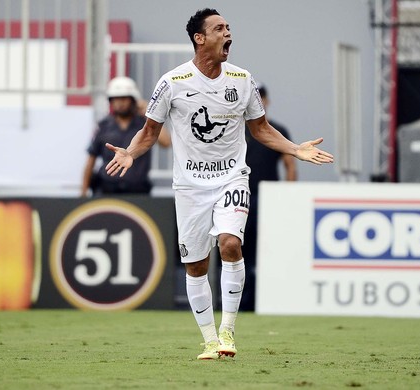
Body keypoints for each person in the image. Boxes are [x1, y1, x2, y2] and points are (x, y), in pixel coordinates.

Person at [104, 8, 333, 360]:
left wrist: (294, 148)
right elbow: (150, 132)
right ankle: (209, 339)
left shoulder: (242, 79)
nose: (228, 33)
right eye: (219, 29)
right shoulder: (172, 83)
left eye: (228, 28)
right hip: (190, 187)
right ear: (200, 38)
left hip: (232, 177)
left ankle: (228, 332)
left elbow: (260, 129)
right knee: (196, 266)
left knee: (229, 244)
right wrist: (131, 153)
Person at [240, 83, 297, 311]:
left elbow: (289, 165)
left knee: (266, 250)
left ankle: (265, 299)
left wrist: (287, 197)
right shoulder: (237, 131)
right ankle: (240, 301)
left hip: (268, 200)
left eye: (261, 100)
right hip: (239, 196)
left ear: (266, 102)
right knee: (238, 249)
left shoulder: (276, 130)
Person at [80, 77, 170, 196]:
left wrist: (150, 114)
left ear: (133, 100)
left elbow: (166, 142)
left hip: (138, 192)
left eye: (124, 98)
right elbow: (91, 159)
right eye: (115, 99)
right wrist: (83, 193)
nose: (120, 103)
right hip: (106, 191)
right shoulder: (103, 126)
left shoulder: (144, 124)